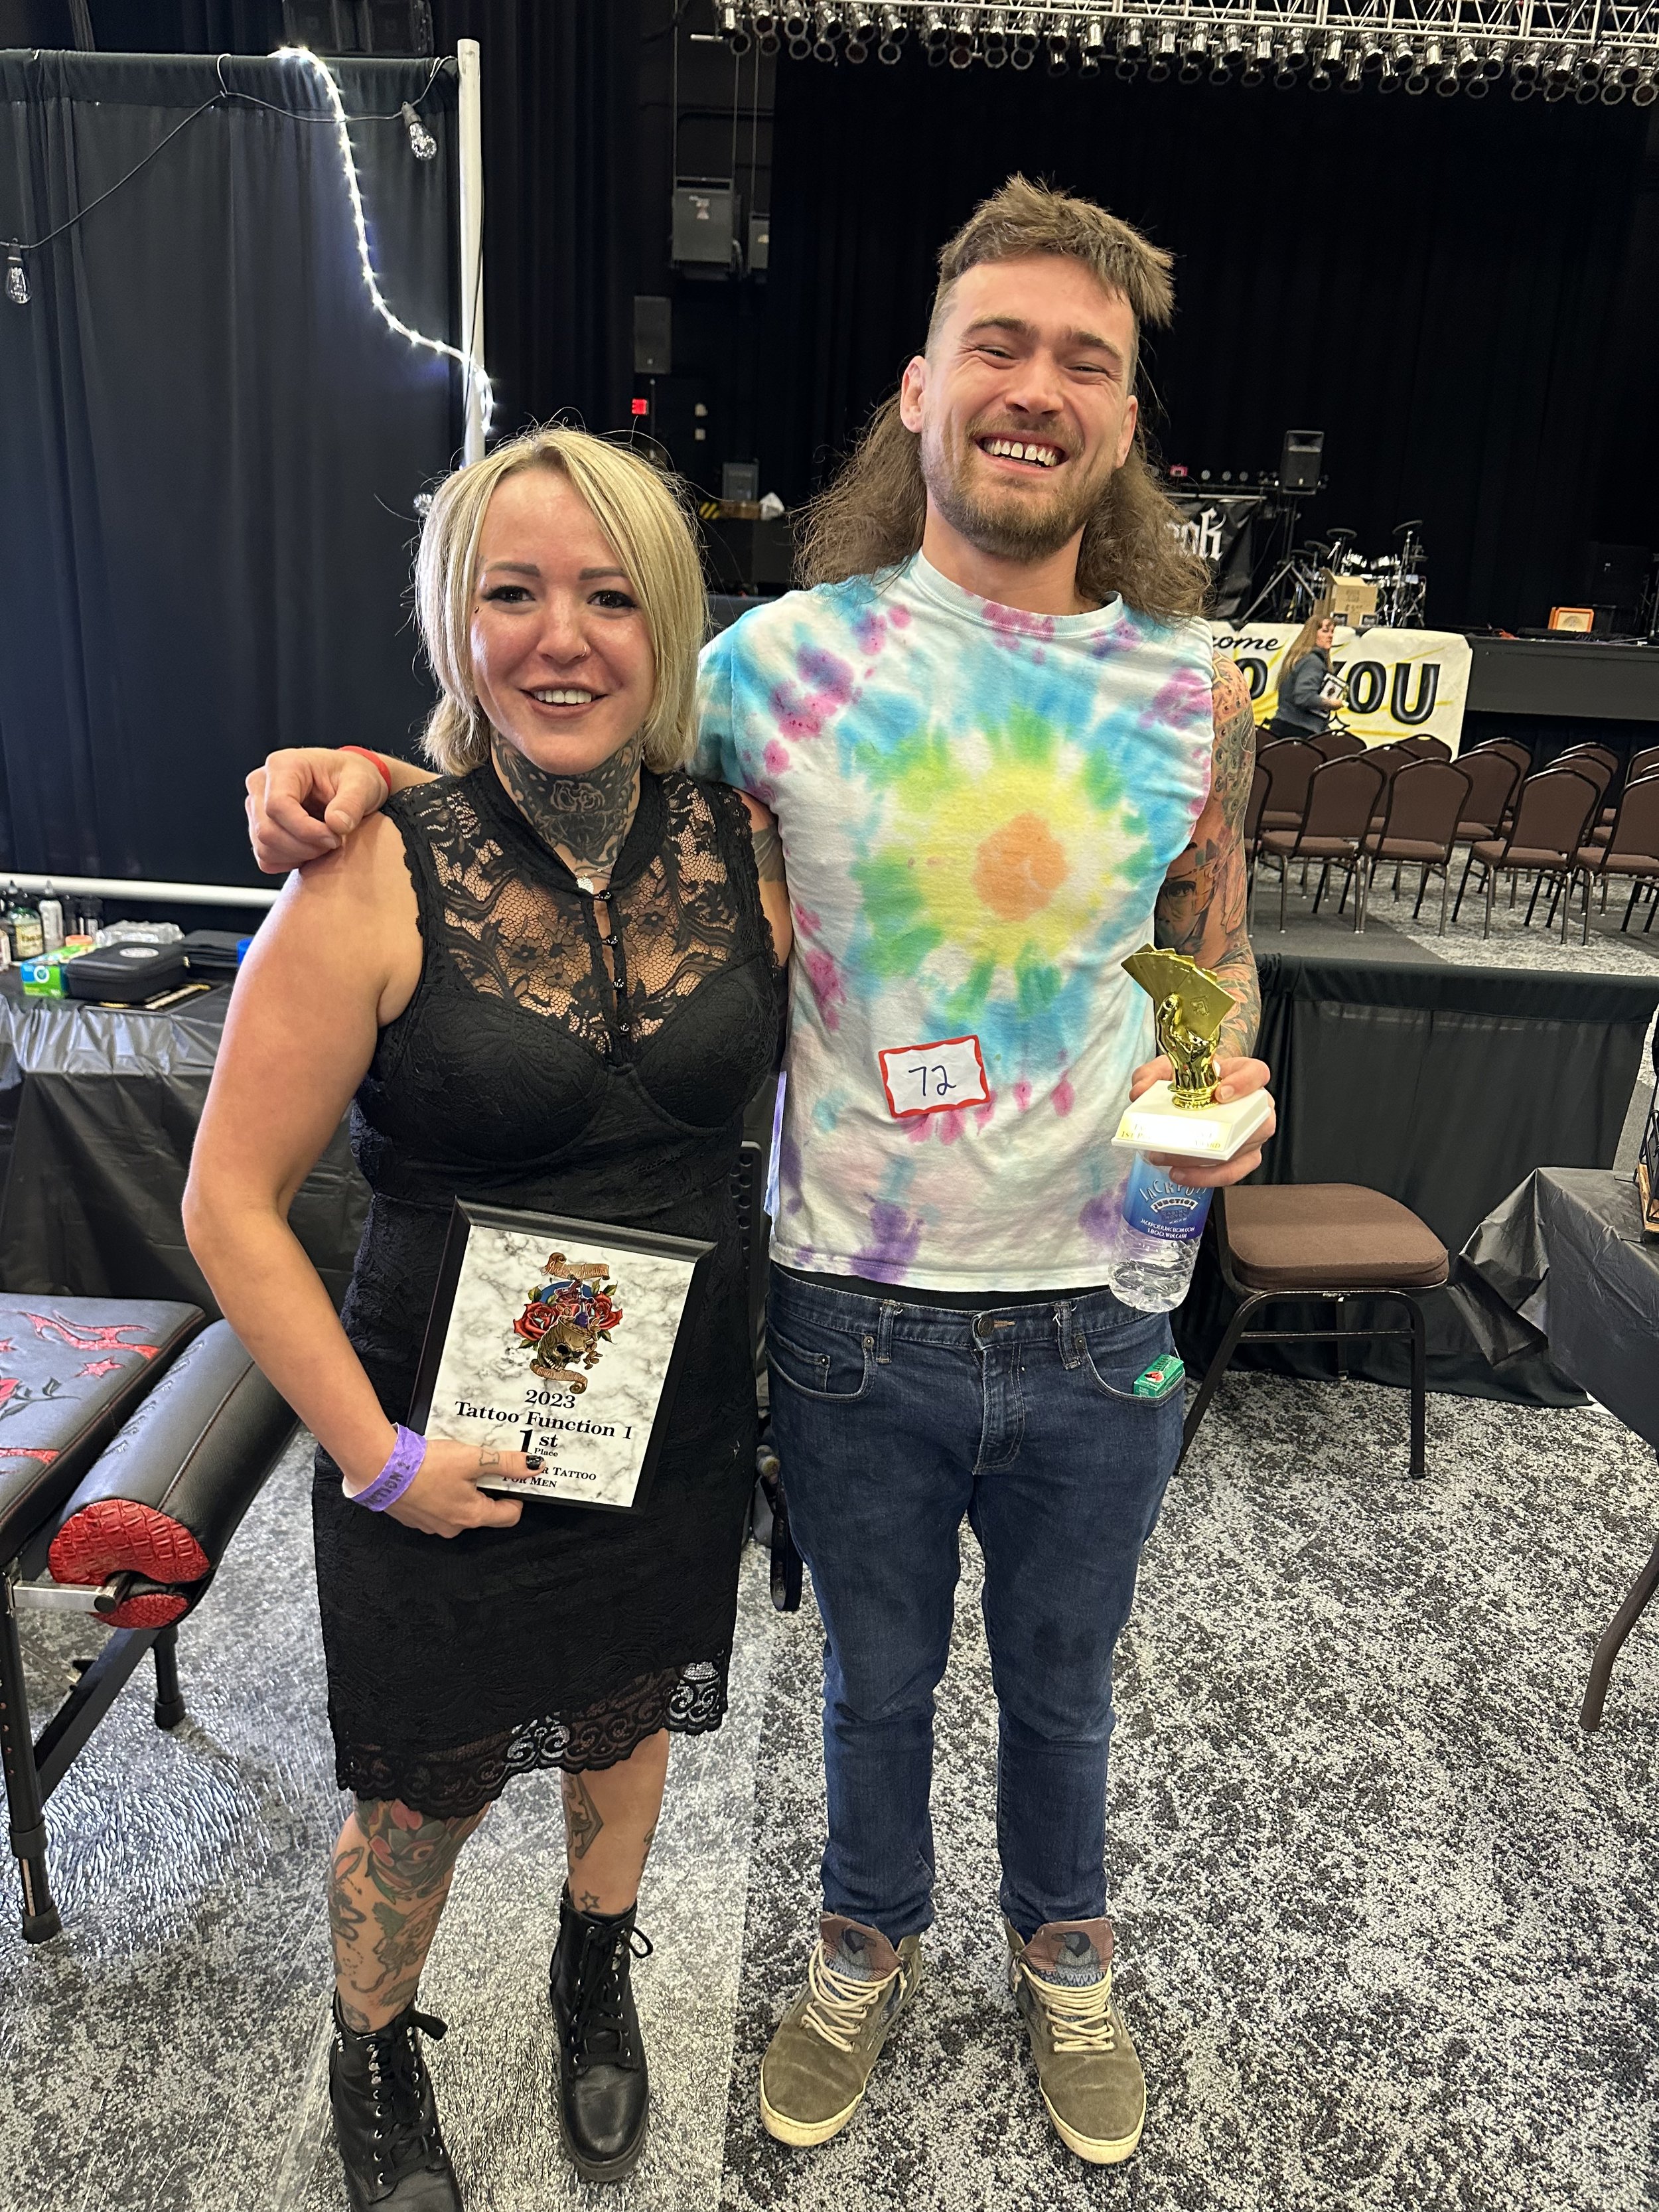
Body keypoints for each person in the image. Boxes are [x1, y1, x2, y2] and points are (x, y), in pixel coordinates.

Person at [246, 178, 1273, 2172]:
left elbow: (1209, 951)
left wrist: (1216, 1077)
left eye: (1085, 361)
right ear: (917, 389)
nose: (1033, 389)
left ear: (1123, 422)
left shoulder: (1189, 692)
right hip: (845, 1303)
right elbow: (549, 732)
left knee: (1064, 1689)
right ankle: (857, 1947)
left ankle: (1064, 1952)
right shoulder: (781, 665)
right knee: (867, 1684)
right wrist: (362, 778)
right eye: (998, 344)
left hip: (1104, 1304)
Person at [186, 426, 788, 2207]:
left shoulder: (743, 840)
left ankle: (590, 1972)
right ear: (453, 620)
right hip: (431, 1433)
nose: (561, 635)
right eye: (510, 593)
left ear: (666, 622)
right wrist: (376, 1460)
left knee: (624, 1734)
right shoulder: (366, 870)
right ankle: (372, 2044)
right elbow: (229, 1203)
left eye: (608, 595)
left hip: (671, 1430)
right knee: (420, 1798)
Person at [1269, 608, 1343, 736]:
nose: (1331, 636)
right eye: (1325, 631)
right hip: (1300, 731)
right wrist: (1331, 704)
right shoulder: (1313, 661)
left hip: (1283, 725)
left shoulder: (1299, 657)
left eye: (1332, 632)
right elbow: (1304, 697)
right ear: (1313, 634)